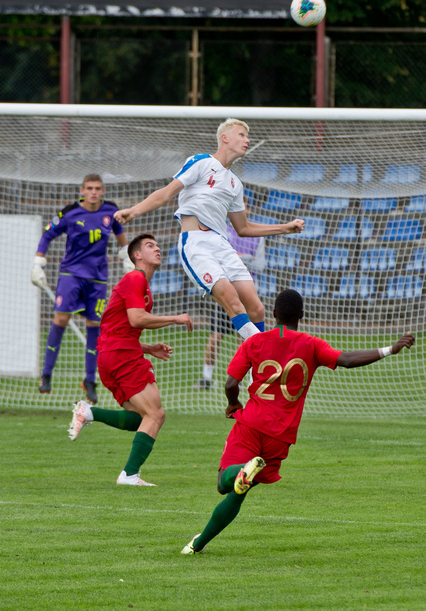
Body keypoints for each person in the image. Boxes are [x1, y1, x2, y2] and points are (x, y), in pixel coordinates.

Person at [181, 288, 415, 554]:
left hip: (251, 425)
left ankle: (240, 471)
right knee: (240, 490)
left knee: (226, 481)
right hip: (280, 436)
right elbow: (346, 360)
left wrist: (233, 404)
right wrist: (390, 349)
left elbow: (231, 383)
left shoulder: (255, 342)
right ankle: (197, 544)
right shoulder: (311, 344)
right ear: (302, 315)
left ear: (273, 314)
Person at [114, 118, 304, 343]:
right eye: (242, 135)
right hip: (196, 243)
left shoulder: (235, 183)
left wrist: (284, 228)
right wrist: (133, 211)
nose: (247, 140)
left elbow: (242, 228)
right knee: (232, 301)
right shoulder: (201, 162)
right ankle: (264, 354)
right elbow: (166, 193)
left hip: (222, 244)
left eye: (247, 136)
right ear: (225, 138)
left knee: (257, 309)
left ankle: (256, 373)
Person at [68, 233, 193, 487]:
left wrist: (148, 348)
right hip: (121, 357)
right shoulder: (135, 278)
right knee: (156, 414)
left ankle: (89, 412)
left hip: (111, 356)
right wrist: (175, 318)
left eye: (157, 245)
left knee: (140, 417)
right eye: (150, 246)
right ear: (137, 255)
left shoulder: (141, 284)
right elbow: (136, 319)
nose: (157, 248)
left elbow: (121, 329)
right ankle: (129, 475)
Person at [31, 174, 133, 404]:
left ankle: (90, 380)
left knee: (94, 326)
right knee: (60, 321)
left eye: (97, 188)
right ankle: (46, 374)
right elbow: (47, 235)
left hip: (98, 278)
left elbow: (119, 230)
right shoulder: (69, 213)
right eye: (89, 188)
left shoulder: (110, 211)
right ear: (82, 191)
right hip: (71, 275)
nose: (94, 192)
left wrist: (126, 252)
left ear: (103, 191)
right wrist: (38, 263)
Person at [194, 219, 266, 390]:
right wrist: (241, 259)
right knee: (216, 335)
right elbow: (215, 261)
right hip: (225, 291)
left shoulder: (256, 235)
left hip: (247, 291)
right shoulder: (221, 231)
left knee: (244, 339)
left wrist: (240, 259)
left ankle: (240, 378)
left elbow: (260, 266)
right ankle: (206, 377)